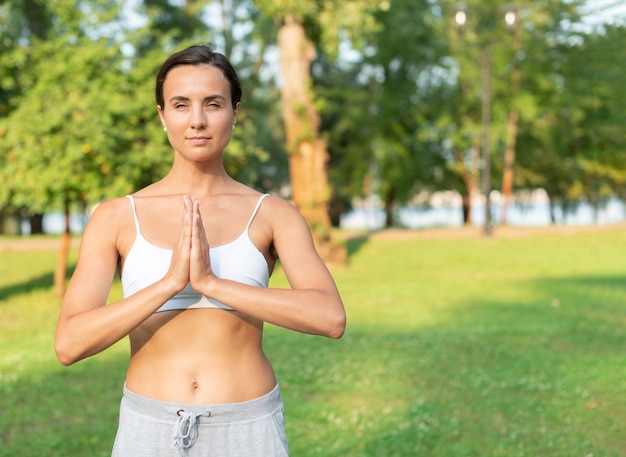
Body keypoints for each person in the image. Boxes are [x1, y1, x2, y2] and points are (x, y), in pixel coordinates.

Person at [54, 44, 346, 457]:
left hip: (248, 426)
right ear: (162, 116)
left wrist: (213, 283)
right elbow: (69, 343)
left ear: (235, 112)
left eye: (213, 103)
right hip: (149, 427)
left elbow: (330, 317)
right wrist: (169, 284)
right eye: (180, 105)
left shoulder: (273, 214)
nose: (197, 120)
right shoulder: (117, 216)